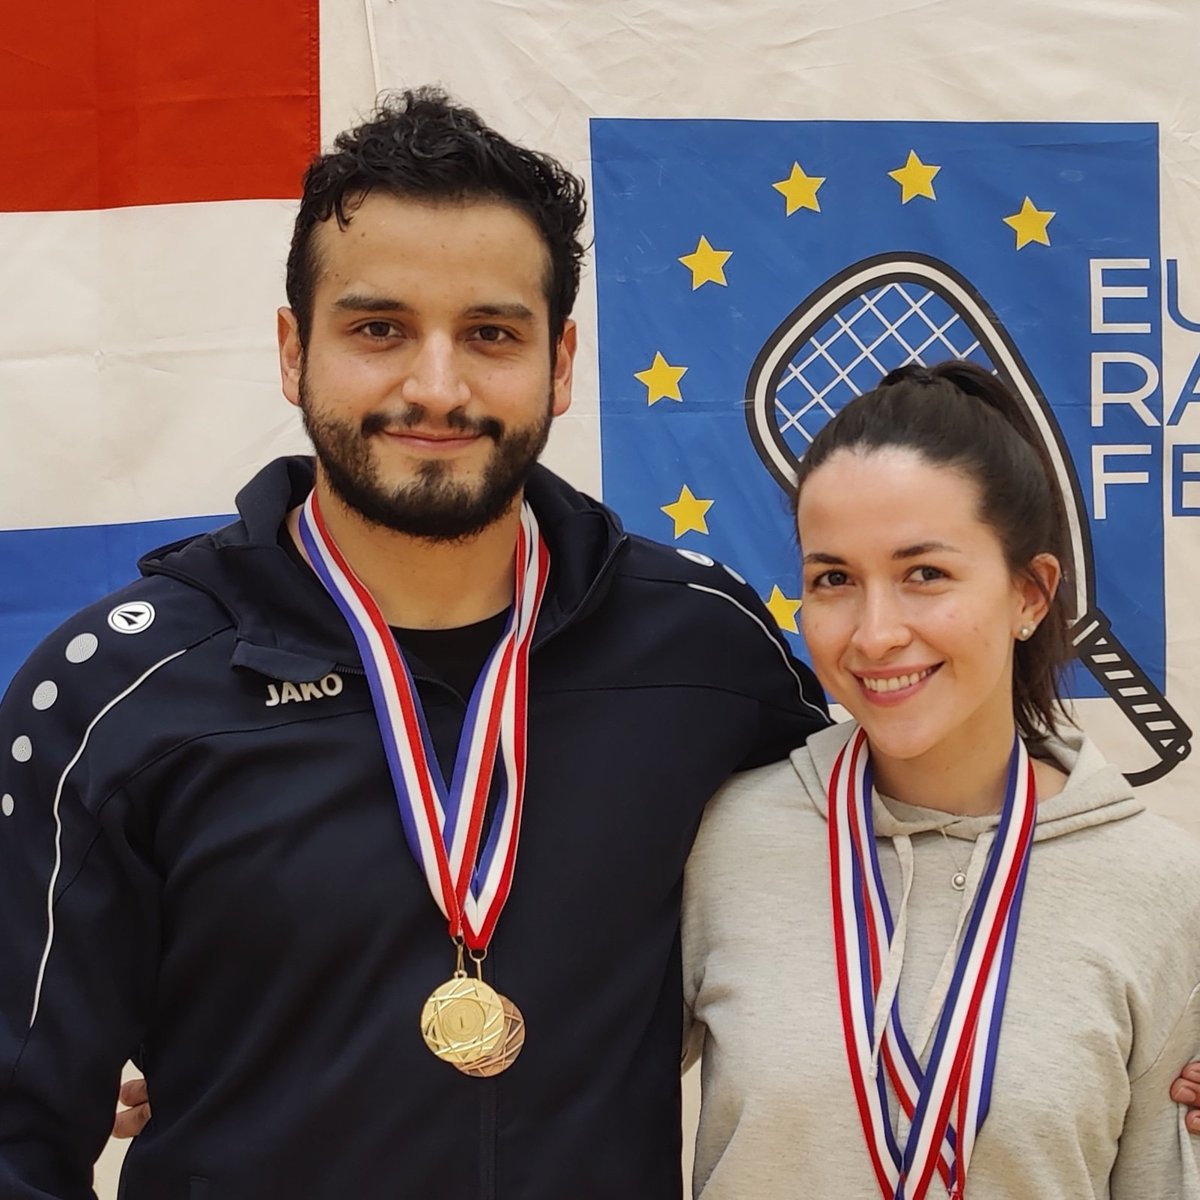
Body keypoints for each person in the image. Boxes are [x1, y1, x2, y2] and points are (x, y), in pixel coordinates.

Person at [0, 89, 831, 1198]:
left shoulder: (708, 650)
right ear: (294, 351)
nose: (435, 387)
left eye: (490, 334)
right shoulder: (113, 696)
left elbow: (904, 872)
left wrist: (1142, 1006)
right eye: (377, 328)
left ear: (561, 362)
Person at [682, 361, 1200, 1197]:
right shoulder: (724, 836)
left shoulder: (1161, 889)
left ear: (1030, 594)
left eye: (925, 573)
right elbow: (566, 1088)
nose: (875, 633)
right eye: (834, 579)